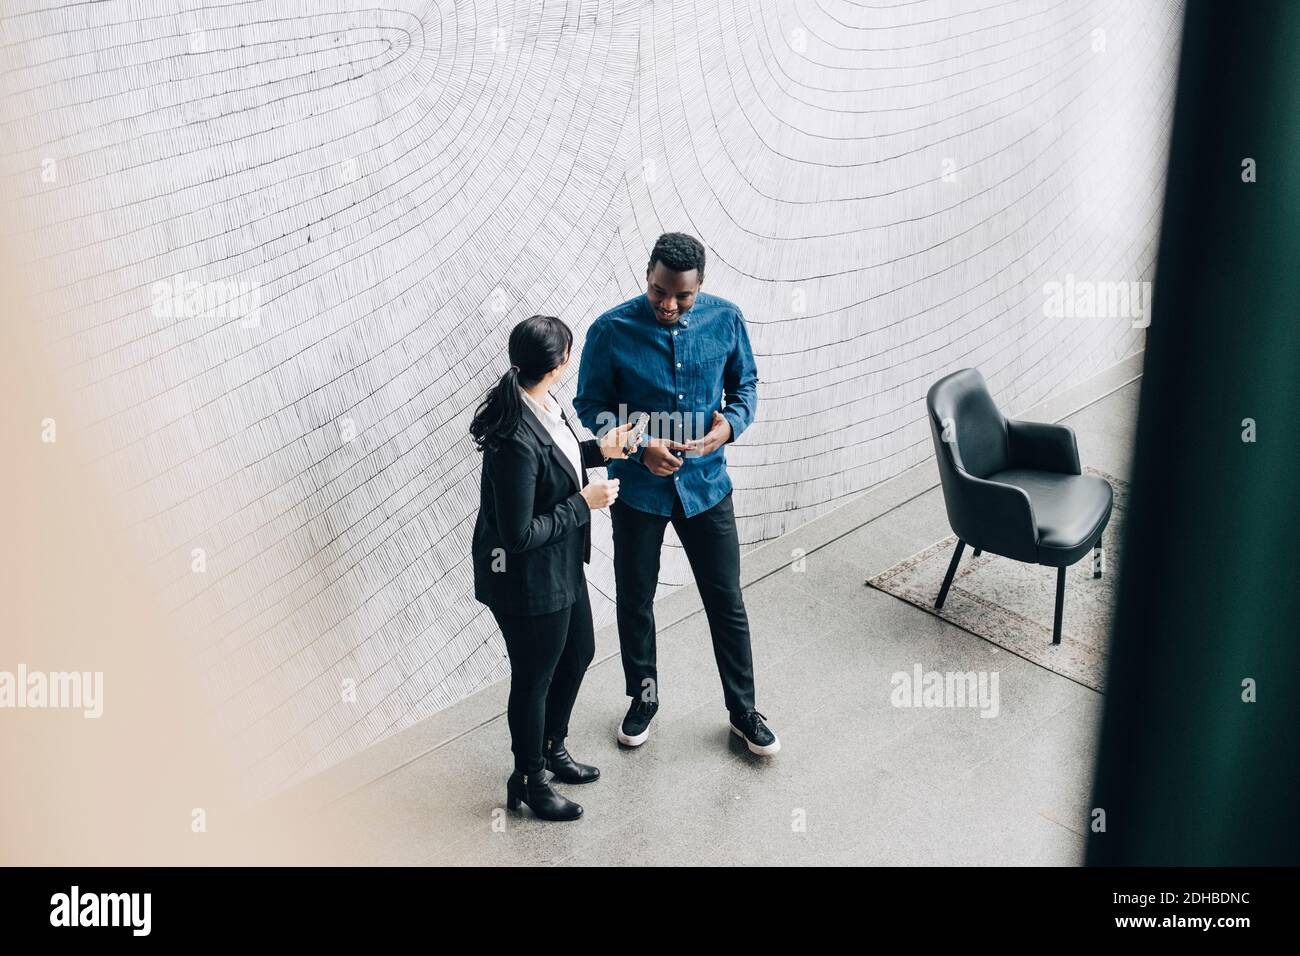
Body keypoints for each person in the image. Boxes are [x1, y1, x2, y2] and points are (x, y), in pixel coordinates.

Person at [574, 232, 779, 756]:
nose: (668, 304)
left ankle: (743, 711)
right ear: (648, 276)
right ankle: (643, 699)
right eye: (659, 290)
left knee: (726, 600)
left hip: (707, 487)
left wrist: (728, 428)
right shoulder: (610, 330)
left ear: (699, 286)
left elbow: (747, 387)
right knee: (636, 600)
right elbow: (590, 404)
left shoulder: (727, 319)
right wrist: (640, 447)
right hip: (639, 492)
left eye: (681, 296)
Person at [470, 315, 636, 821]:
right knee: (533, 678)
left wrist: (597, 450)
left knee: (579, 650)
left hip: (560, 565)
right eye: (570, 353)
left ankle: (551, 747)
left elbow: (557, 462)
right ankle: (529, 778)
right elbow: (517, 535)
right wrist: (586, 504)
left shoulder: (541, 400)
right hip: (526, 579)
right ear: (559, 364)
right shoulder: (514, 438)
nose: (572, 359)